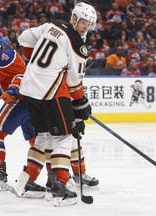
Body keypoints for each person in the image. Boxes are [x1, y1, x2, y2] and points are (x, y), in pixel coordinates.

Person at [17, 2, 97, 206]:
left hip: (29, 87)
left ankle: (28, 180)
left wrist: (32, 59)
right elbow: (73, 82)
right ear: (74, 18)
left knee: (43, 136)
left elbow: (24, 39)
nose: (86, 27)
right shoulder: (78, 46)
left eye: (89, 24)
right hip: (49, 92)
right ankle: (59, 187)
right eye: (83, 22)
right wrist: (81, 103)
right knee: (63, 137)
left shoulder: (52, 25)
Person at [0, 30, 46, 197]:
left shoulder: (4, 56)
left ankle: (0, 173)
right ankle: (55, 176)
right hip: (31, 100)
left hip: (22, 99)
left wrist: (13, 89)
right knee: (37, 140)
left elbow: (22, 74)